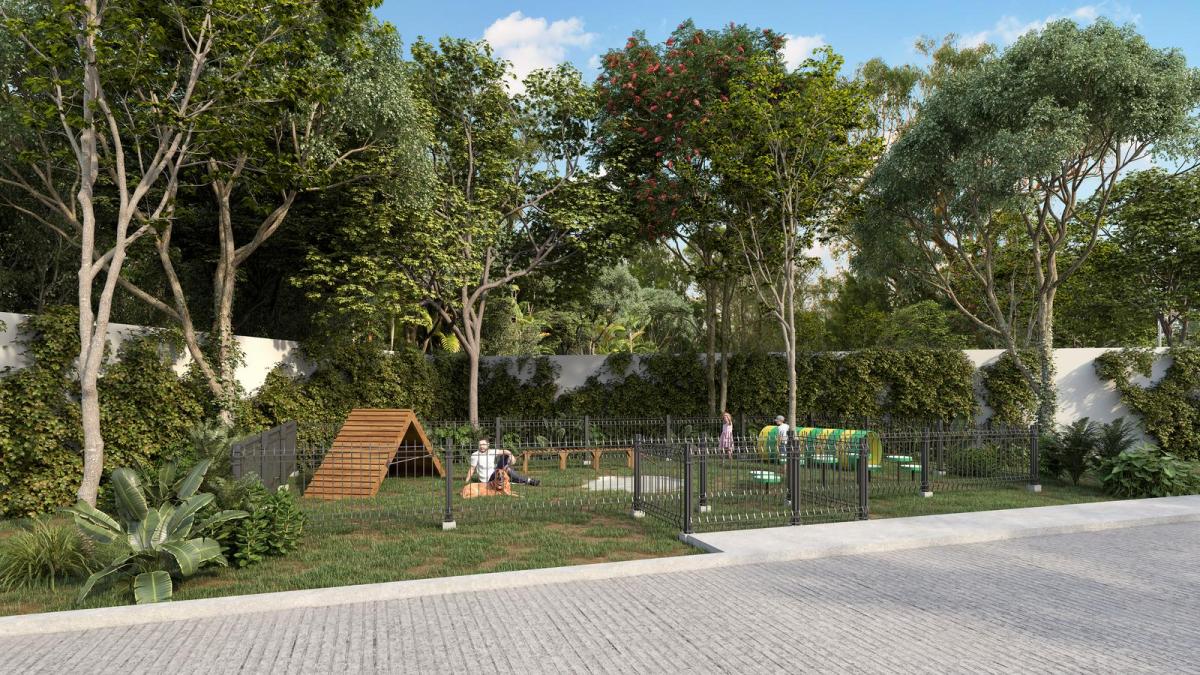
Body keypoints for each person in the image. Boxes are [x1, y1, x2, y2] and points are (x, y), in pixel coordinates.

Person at [464, 439, 540, 488]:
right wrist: (466, 481)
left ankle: (528, 481)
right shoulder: (475, 455)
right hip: (487, 480)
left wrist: (511, 456)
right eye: (480, 445)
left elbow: (505, 451)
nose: (481, 446)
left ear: (488, 445)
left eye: (483, 444)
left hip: (496, 474)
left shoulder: (492, 451)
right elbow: (472, 468)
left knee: (505, 459)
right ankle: (529, 481)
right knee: (506, 468)